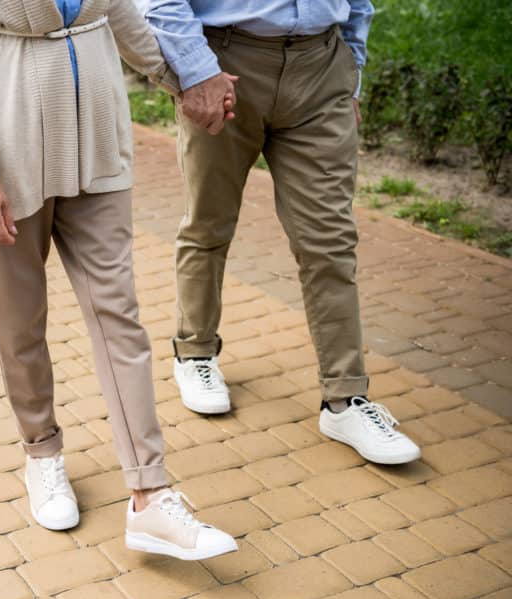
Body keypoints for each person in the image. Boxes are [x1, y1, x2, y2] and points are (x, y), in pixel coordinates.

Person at [0, 0, 238, 559]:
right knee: (20, 318)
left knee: (118, 311)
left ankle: (150, 494)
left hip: (94, 127)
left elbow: (120, 9)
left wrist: (183, 77)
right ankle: (41, 453)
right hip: (4, 137)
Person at [142, 0, 421, 465]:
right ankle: (195, 352)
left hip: (322, 68)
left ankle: (345, 398)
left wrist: (351, 65)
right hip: (225, 64)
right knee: (209, 222)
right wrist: (194, 72)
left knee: (330, 242)